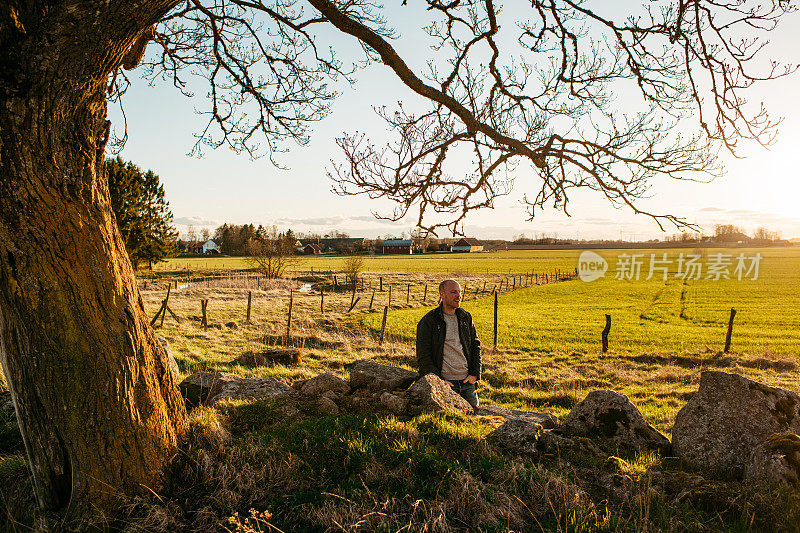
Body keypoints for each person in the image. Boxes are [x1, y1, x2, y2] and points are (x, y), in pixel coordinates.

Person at [416, 279, 481, 407]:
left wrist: (474, 374)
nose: (459, 296)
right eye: (453, 292)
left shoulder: (465, 317)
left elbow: (476, 346)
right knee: (450, 422)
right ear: (442, 294)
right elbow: (423, 356)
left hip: (467, 383)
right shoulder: (429, 321)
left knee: (476, 419)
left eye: (460, 292)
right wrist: (439, 381)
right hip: (445, 384)